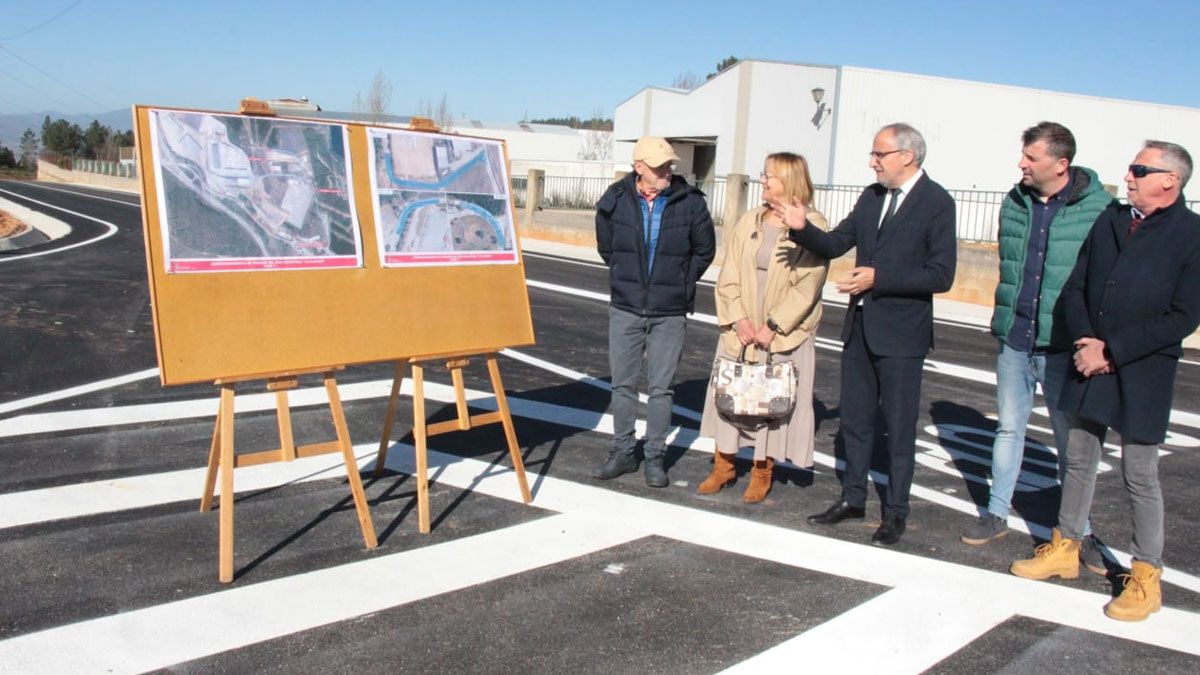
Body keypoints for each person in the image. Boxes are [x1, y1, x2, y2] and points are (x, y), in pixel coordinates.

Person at [1011, 141, 1200, 622]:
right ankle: (1066, 547)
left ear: (1169, 181)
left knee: (1139, 474)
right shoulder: (1112, 219)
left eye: (1140, 169)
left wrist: (1112, 352)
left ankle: (1145, 575)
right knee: (1077, 458)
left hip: (1141, 371)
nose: (1129, 176)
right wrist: (1086, 342)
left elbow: (1184, 315)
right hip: (1088, 358)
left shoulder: (1191, 234)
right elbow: (1076, 285)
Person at [779, 123, 956, 546]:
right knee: (856, 423)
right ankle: (852, 497)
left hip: (902, 336)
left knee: (896, 428)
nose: (871, 161)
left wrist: (880, 278)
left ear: (907, 157)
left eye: (879, 154)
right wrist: (802, 228)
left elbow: (941, 274)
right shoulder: (871, 196)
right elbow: (837, 241)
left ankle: (895, 512)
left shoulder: (937, 203)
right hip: (860, 329)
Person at [961, 123, 1114, 569]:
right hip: (1017, 339)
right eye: (1023, 155)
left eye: (1031, 157)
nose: (1021, 164)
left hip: (1066, 346)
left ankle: (1078, 532)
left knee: (1074, 445)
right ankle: (996, 513)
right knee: (1009, 428)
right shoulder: (1015, 201)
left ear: (1060, 164)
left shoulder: (1099, 209)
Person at [698, 152, 830, 502]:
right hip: (743, 323)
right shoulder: (750, 220)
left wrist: (774, 325)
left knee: (772, 401)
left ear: (788, 180)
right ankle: (723, 464)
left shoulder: (812, 225)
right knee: (732, 392)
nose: (762, 180)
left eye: (769, 175)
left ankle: (762, 469)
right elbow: (728, 273)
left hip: (782, 330)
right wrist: (738, 316)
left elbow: (809, 285)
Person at [593, 136, 717, 487]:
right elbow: (607, 247)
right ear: (639, 168)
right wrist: (625, 276)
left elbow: (704, 250)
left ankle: (654, 457)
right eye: (660, 165)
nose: (668, 170)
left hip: (670, 311)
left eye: (669, 164)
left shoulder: (690, 202)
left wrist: (679, 282)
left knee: (661, 389)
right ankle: (622, 452)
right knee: (623, 385)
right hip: (626, 307)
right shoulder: (615, 200)